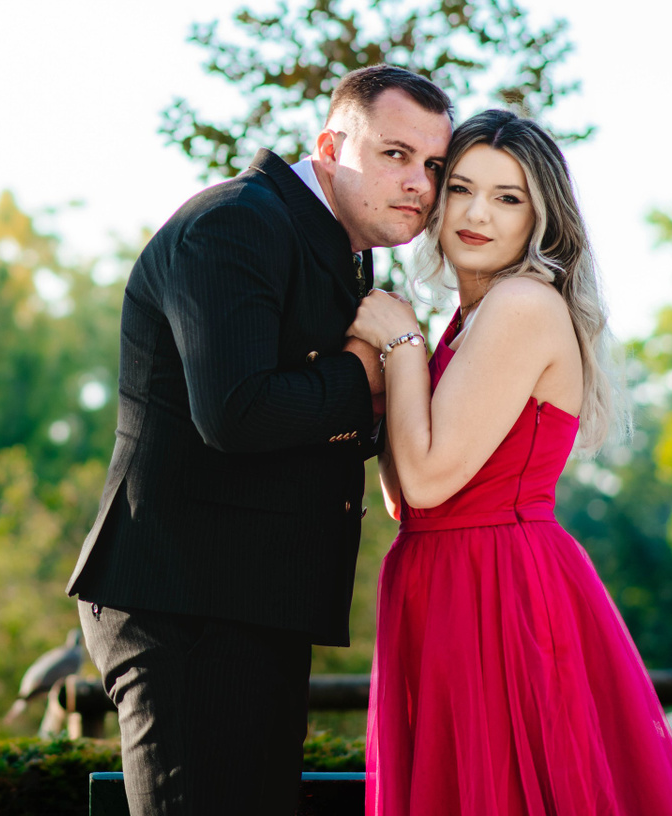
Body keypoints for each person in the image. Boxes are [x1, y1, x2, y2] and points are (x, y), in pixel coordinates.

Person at [68, 65, 454, 814]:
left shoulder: (343, 248)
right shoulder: (235, 222)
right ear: (330, 147)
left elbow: (312, 420)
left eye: (434, 165)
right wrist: (364, 369)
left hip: (253, 601)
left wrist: (387, 386)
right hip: (183, 603)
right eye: (395, 154)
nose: (420, 183)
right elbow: (235, 412)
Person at [352, 110, 672, 816]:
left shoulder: (521, 304)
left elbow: (423, 479)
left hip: (499, 588)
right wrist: (403, 358)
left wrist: (401, 347)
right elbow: (406, 498)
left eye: (507, 198)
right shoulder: (465, 320)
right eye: (460, 188)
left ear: (539, 220)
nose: (476, 213)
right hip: (438, 579)